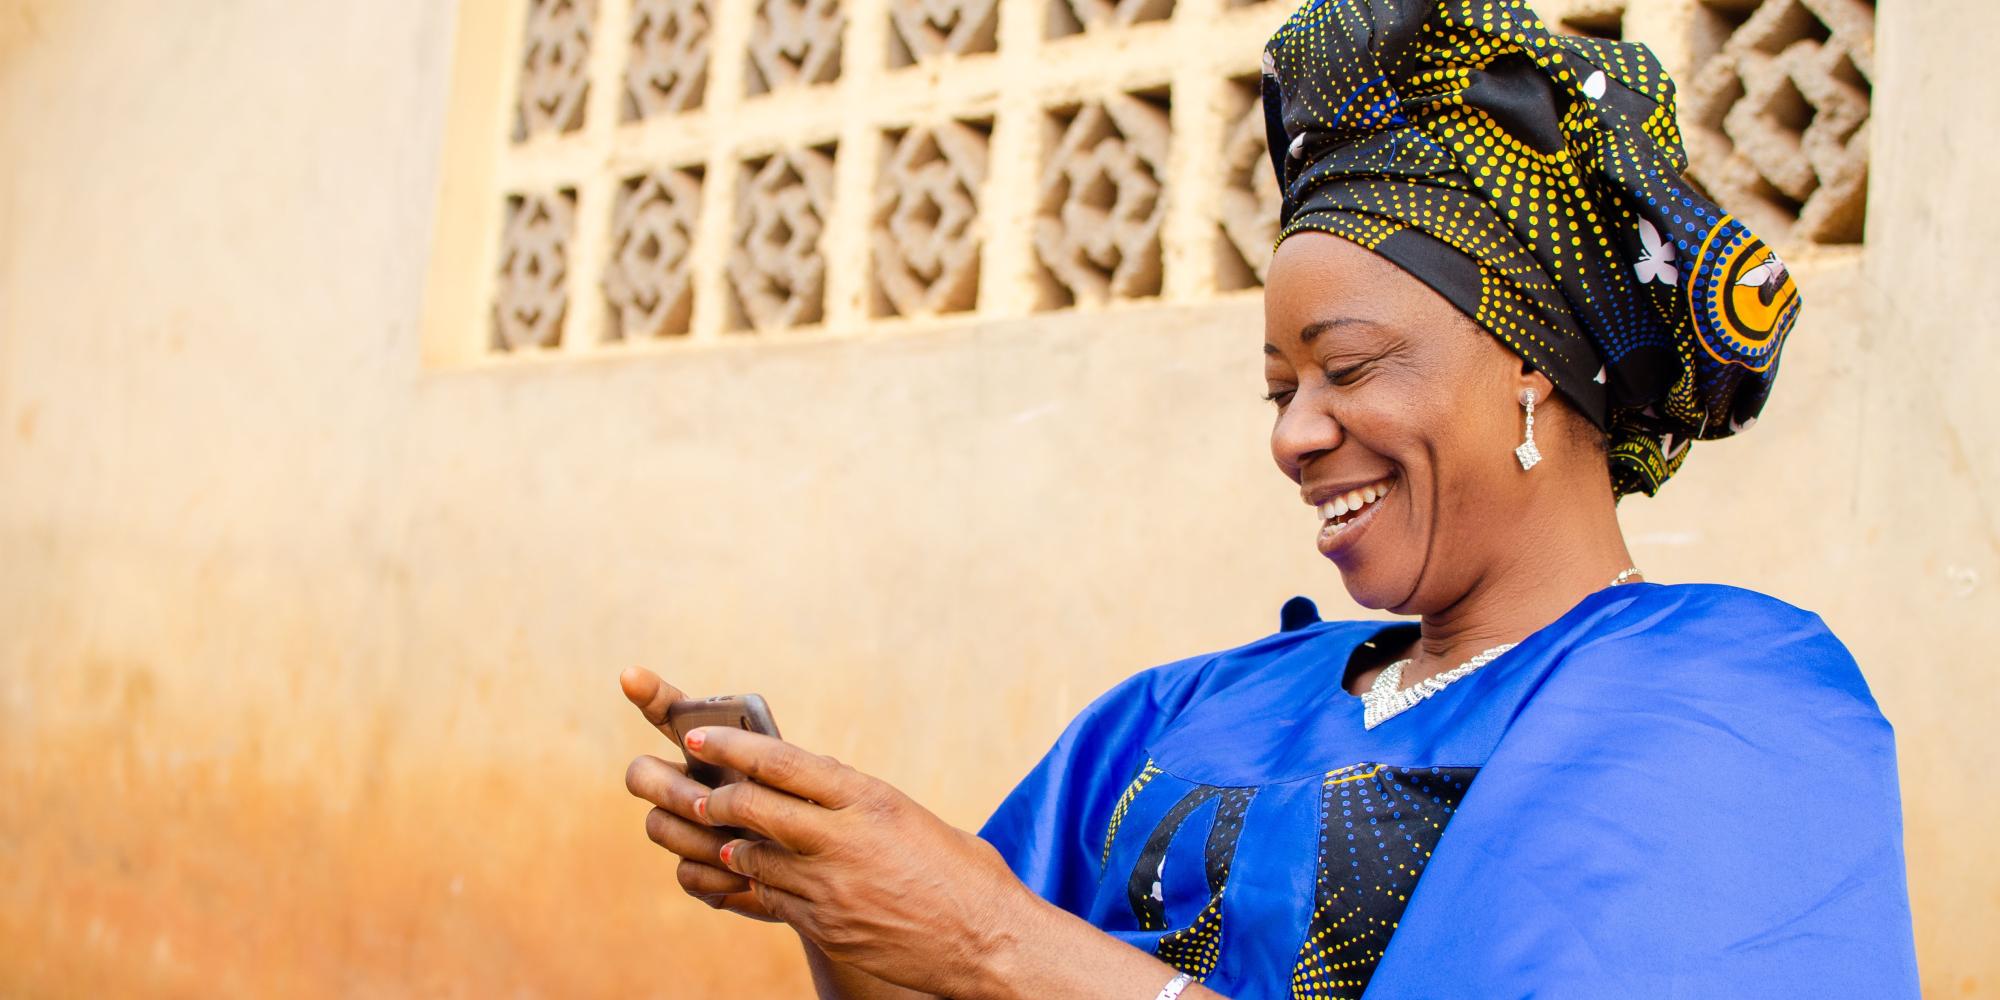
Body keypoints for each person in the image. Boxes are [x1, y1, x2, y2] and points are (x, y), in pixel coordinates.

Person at [619, 1, 1919, 996]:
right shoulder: (1182, 710)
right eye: (1276, 389)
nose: (1297, 435)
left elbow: (1001, 952)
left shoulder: (1727, 699)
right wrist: (846, 901)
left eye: (1345, 369)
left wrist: (989, 939)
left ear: (1533, 372)